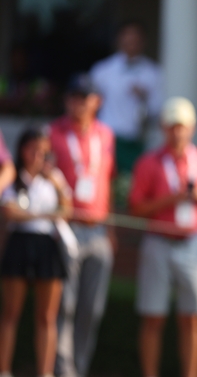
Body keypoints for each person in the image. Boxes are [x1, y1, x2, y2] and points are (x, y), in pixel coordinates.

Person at [128, 97, 197, 377]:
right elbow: (136, 208)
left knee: (192, 319)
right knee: (153, 317)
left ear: (192, 128)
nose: (177, 132)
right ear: (163, 128)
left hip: (193, 244)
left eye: (181, 126)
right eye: (171, 126)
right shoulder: (149, 162)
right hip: (158, 242)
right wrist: (171, 199)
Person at [48, 75, 116, 377]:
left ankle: (80, 367)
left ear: (97, 101)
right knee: (66, 304)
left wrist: (111, 226)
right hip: (67, 227)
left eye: (84, 97)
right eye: (74, 96)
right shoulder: (53, 132)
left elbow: (106, 182)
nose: (78, 102)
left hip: (98, 228)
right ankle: (64, 370)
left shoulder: (106, 135)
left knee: (93, 308)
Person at [0, 128, 72, 377]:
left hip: (47, 246)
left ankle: (45, 372)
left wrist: (56, 186)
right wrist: (44, 214)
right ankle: (4, 370)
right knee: (10, 312)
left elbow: (67, 210)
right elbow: (10, 212)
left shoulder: (54, 179)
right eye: (34, 150)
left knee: (47, 317)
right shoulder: (13, 178)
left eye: (44, 152)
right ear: (23, 150)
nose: (39, 156)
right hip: (20, 244)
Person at [90, 20, 162, 173]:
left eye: (135, 39)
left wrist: (145, 96)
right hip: (108, 139)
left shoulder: (154, 73)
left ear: (143, 42)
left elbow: (158, 109)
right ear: (119, 40)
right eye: (127, 38)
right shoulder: (102, 71)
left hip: (137, 141)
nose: (130, 43)